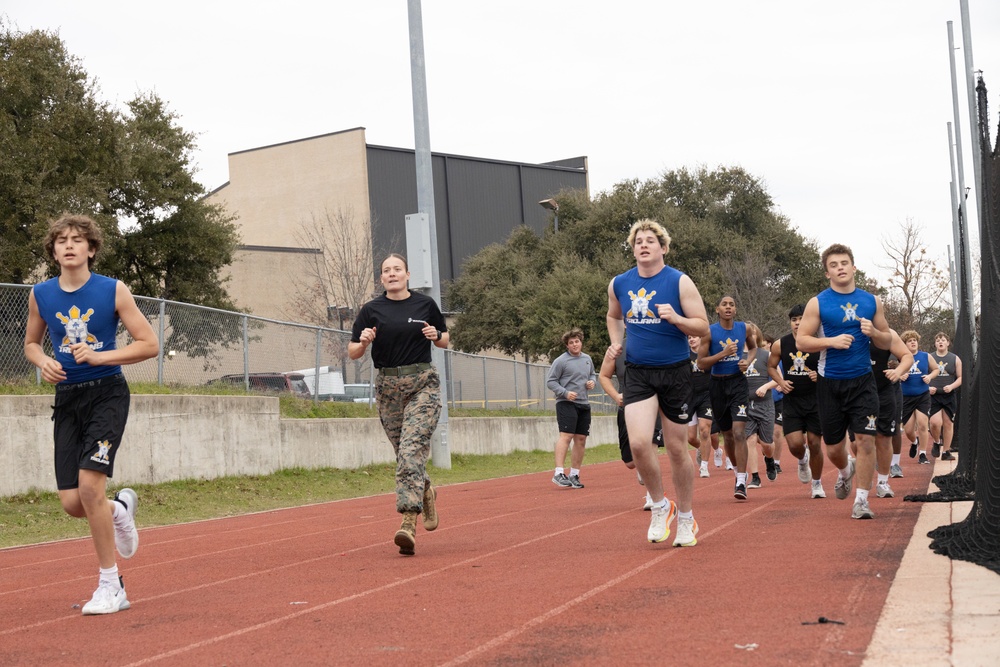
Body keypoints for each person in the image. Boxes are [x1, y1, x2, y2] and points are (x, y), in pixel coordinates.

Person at [23, 214, 158, 615]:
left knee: (89, 487)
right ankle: (120, 510)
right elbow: (31, 342)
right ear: (54, 251)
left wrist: (101, 356)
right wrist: (42, 361)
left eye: (77, 240)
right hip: (67, 398)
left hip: (107, 394)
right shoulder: (40, 294)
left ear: (91, 249)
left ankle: (110, 585)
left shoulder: (113, 290)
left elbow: (148, 344)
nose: (68, 245)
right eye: (61, 240)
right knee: (71, 501)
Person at [607, 219, 710, 546]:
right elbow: (613, 315)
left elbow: (703, 327)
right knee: (638, 443)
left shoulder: (679, 282)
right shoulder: (620, 283)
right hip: (638, 371)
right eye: (638, 241)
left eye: (650, 240)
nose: (644, 245)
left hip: (675, 371)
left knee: (678, 449)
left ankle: (686, 518)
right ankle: (660, 505)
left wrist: (677, 318)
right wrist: (615, 341)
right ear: (633, 247)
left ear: (662, 248)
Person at [348, 253, 449, 556]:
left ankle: (408, 522)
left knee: (409, 451)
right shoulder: (371, 310)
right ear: (381, 279)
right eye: (386, 271)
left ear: (407, 274)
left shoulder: (424, 305)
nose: (392, 274)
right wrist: (363, 342)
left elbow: (445, 339)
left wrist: (435, 335)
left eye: (397, 270)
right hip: (389, 387)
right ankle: (426, 491)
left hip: (422, 383)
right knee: (405, 454)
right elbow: (352, 351)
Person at [796, 244, 892, 520]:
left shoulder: (871, 301)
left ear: (854, 267)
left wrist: (874, 331)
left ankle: (861, 500)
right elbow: (802, 339)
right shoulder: (818, 302)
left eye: (844, 262)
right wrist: (830, 342)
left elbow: (887, 339)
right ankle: (844, 470)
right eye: (834, 264)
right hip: (830, 383)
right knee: (834, 449)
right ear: (827, 273)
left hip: (863, 382)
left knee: (865, 440)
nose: (840, 267)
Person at [698, 296, 754, 500]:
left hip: (738, 383)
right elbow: (701, 363)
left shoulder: (744, 328)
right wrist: (722, 354)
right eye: (724, 304)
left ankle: (741, 479)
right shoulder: (709, 332)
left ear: (735, 309)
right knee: (728, 435)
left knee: (740, 432)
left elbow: (753, 347)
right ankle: (738, 469)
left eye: (732, 304)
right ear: (717, 310)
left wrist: (747, 360)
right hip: (717, 385)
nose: (728, 307)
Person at [598, 339, 664, 509]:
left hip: (652, 402)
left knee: (651, 445)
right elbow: (603, 376)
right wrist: (615, 396)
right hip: (627, 406)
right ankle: (642, 467)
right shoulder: (617, 349)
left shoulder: (655, 342)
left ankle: (653, 496)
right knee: (630, 462)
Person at [768, 304, 825, 498]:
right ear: (790, 322)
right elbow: (771, 367)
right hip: (792, 400)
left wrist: (820, 376)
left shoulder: (819, 344)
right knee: (794, 445)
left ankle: (817, 484)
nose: (798, 323)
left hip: (815, 400)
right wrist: (781, 382)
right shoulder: (780, 344)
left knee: (815, 443)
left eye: (801, 319)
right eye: (794, 320)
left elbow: (832, 369)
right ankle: (802, 460)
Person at [548, 328, 597, 489]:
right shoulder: (561, 361)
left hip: (584, 403)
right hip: (566, 403)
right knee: (566, 436)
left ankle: (574, 474)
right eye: (571, 343)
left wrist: (592, 382)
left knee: (581, 439)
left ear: (581, 342)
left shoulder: (587, 359)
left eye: (577, 341)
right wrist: (565, 393)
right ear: (567, 345)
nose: (575, 344)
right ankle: (558, 473)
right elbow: (551, 381)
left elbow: (592, 375)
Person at [869, 328, 914, 499]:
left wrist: (898, 371)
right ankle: (856, 468)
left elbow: (906, 356)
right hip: (858, 391)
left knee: (885, 436)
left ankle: (883, 481)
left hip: (885, 390)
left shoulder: (888, 334)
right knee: (859, 442)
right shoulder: (847, 330)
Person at [743, 322, 778, 488]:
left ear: (758, 336)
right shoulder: (737, 356)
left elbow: (778, 379)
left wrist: (765, 386)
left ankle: (769, 459)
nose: (750, 337)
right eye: (747, 334)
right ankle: (755, 477)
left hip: (765, 404)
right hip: (746, 405)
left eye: (753, 334)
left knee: (766, 444)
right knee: (749, 439)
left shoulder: (766, 355)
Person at [899, 330, 939, 465]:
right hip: (906, 397)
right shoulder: (900, 357)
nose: (912, 342)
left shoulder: (925, 356)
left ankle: (922, 454)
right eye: (909, 340)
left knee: (922, 424)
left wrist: (929, 377)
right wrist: (899, 376)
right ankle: (914, 441)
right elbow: (892, 371)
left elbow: (936, 369)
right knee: (909, 430)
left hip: (922, 395)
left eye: (914, 340)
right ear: (905, 344)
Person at [928, 332, 962, 460]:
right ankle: (937, 442)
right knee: (935, 423)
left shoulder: (955, 358)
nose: (940, 342)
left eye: (943, 340)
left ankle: (946, 452)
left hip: (949, 395)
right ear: (935, 343)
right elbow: (922, 376)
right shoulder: (929, 357)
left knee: (948, 423)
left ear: (948, 343)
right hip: (933, 395)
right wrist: (928, 388)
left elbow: (960, 377)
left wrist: (952, 386)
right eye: (938, 340)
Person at [687, 334, 715, 479]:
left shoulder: (708, 353)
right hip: (689, 397)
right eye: (689, 337)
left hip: (706, 396)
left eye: (694, 337)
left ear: (700, 338)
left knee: (705, 430)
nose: (691, 339)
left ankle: (704, 465)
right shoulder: (685, 355)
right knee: (691, 437)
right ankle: (701, 448)